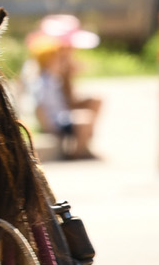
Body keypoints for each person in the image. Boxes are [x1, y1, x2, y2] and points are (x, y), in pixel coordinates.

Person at [26, 13, 103, 160]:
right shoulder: (41, 77)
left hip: (61, 113)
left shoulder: (55, 74)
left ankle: (83, 145)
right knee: (84, 118)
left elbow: (68, 98)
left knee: (93, 105)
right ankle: (77, 153)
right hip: (56, 118)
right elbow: (40, 105)